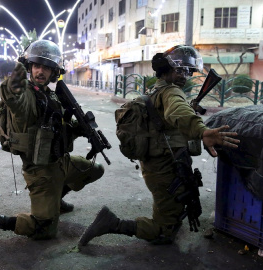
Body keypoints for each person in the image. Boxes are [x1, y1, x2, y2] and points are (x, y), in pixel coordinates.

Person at [79, 45, 240, 246]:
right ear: (166, 69)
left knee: (174, 207)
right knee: (164, 232)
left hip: (156, 163)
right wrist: (202, 131)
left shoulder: (158, 89)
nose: (185, 76)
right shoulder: (172, 92)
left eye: (188, 71)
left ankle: (167, 219)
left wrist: (191, 111)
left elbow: (165, 118)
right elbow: (177, 111)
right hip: (165, 166)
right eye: (180, 70)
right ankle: (112, 223)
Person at [0, 40, 105, 240]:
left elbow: (61, 127)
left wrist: (82, 128)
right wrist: (15, 80)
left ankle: (56, 200)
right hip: (41, 172)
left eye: (46, 67)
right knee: (44, 230)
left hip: (61, 162)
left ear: (54, 72)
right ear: (29, 68)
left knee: (95, 170)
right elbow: (13, 96)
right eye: (36, 66)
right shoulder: (26, 95)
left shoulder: (49, 96)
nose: (40, 71)